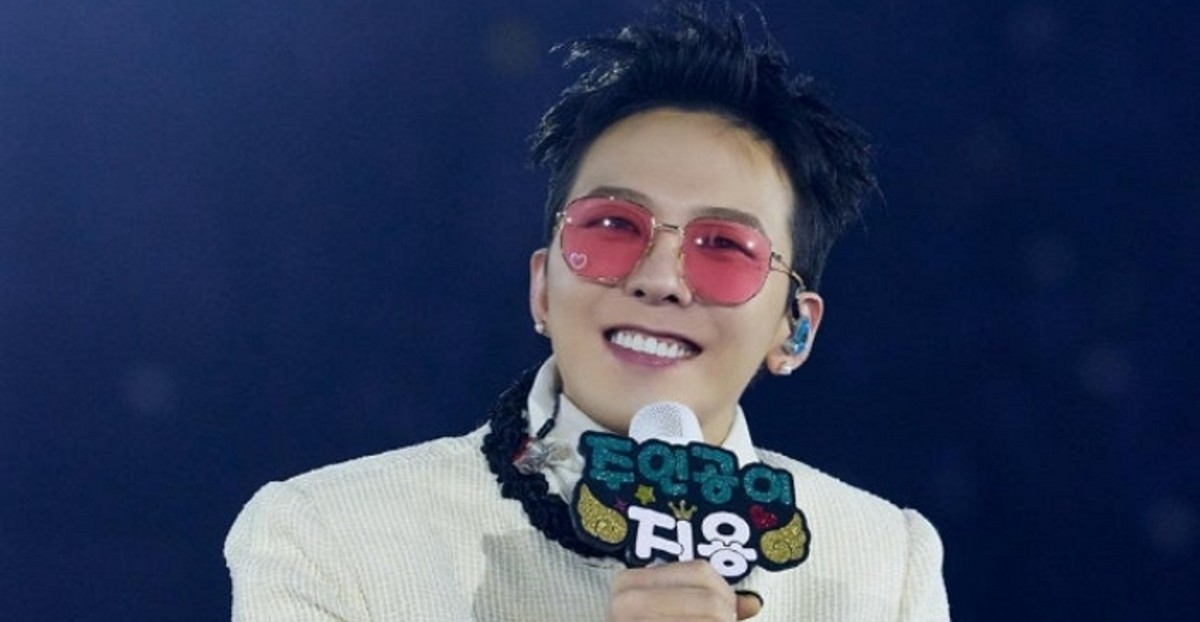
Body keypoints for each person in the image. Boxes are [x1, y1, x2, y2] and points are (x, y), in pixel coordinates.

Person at [224, 4, 950, 621]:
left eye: (724, 246)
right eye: (612, 227)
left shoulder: (883, 564)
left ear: (797, 328)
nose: (660, 280)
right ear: (543, 287)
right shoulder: (329, 535)